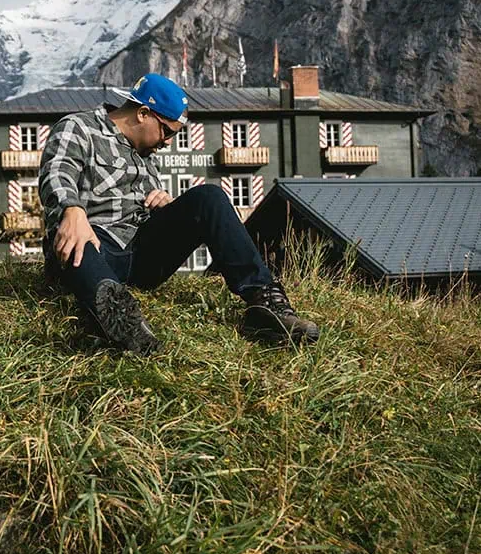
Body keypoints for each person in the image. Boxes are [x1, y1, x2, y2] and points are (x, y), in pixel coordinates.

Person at [39, 73, 319, 352]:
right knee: (78, 239)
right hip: (93, 245)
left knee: (209, 197)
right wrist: (72, 210)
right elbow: (57, 173)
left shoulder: (148, 158)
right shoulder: (79, 128)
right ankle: (121, 322)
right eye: (168, 132)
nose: (168, 142)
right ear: (143, 114)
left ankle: (265, 304)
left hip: (140, 255)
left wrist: (165, 208)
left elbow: (156, 216)